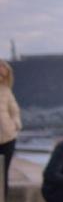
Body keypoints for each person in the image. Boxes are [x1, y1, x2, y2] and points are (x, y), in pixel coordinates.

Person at [0, 59, 20, 191]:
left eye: (3, 75)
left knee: (3, 174)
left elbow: (15, 112)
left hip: (8, 137)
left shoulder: (6, 91)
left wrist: (15, 125)